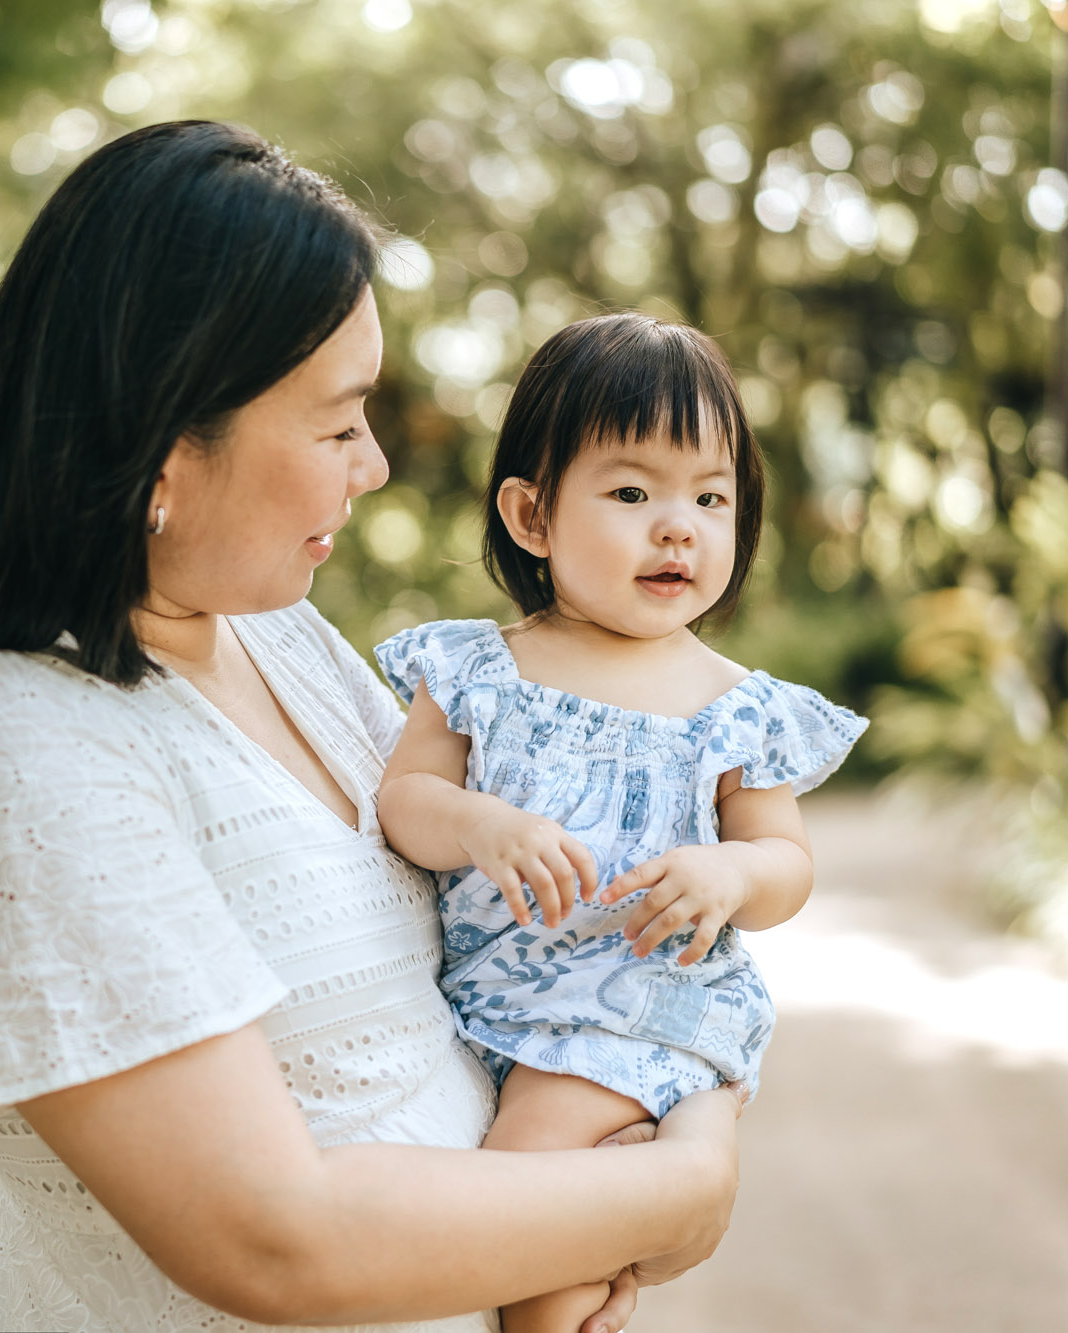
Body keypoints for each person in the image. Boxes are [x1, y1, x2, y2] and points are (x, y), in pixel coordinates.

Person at [0, 121, 741, 1333]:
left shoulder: (270, 632)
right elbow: (272, 1237)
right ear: (164, 443)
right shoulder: (9, 735)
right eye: (335, 421)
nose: (370, 464)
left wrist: (614, 1162)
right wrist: (669, 1190)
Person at [372, 313, 868, 1333]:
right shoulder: (473, 669)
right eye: (632, 491)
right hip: (490, 1004)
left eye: (709, 496)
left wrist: (730, 876)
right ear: (531, 515)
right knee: (540, 1232)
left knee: (523, 1224)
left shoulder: (733, 705)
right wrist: (478, 824)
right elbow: (404, 803)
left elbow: (785, 861)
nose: (676, 524)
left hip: (631, 1003)